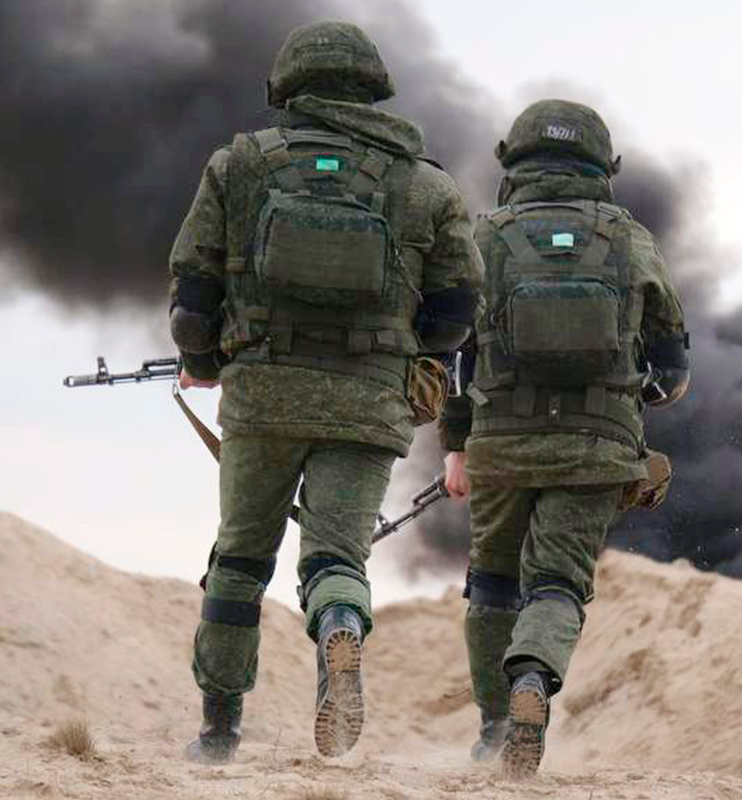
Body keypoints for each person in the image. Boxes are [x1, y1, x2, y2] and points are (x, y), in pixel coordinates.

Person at [169, 21, 483, 763]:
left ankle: (218, 732)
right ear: (374, 89)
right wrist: (404, 355)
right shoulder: (426, 185)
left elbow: (194, 287)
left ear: (287, 86)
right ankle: (340, 624)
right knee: (337, 559)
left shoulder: (238, 165)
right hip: (369, 404)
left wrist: (201, 360)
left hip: (262, 399)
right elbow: (459, 309)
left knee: (240, 558)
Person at [440, 99, 688, 779]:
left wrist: (456, 446)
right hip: (596, 449)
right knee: (556, 583)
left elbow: (453, 357)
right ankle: (532, 677)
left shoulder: (484, 237)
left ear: (513, 162)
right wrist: (628, 401)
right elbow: (672, 371)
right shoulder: (630, 238)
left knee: (492, 583)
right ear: (603, 165)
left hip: (499, 446)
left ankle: (495, 728)